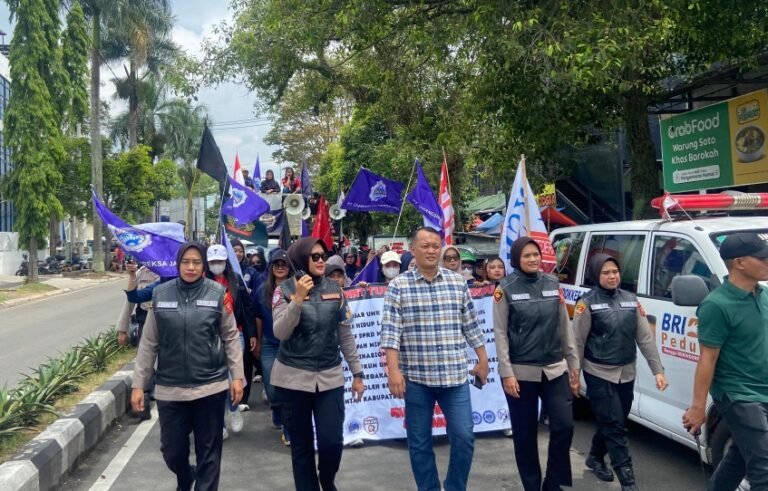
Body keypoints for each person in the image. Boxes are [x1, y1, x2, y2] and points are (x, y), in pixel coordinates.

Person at [381, 226, 489, 491]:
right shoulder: (398, 287)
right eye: (425, 245)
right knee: (419, 442)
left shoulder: (456, 282)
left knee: (464, 437)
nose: (431, 250)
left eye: (435, 245)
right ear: (413, 250)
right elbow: (391, 333)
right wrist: (393, 371)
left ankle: (454, 487)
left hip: (455, 378)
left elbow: (471, 325)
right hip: (416, 379)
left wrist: (483, 359)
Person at [130, 241, 244, 491]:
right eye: (185, 262)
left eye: (196, 262)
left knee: (209, 453)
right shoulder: (161, 294)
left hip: (210, 387)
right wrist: (139, 385)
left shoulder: (217, 293)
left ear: (203, 265)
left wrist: (238, 377)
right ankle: (184, 476)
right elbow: (149, 343)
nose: (190, 267)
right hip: (170, 389)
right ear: (178, 263)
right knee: (172, 451)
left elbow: (231, 336)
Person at [272, 237, 365, 491]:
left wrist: (358, 373)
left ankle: (327, 481)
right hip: (292, 378)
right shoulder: (284, 290)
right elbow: (280, 332)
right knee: (301, 447)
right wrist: (298, 300)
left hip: (329, 376)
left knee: (331, 441)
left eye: (323, 255)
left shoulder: (336, 291)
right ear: (301, 260)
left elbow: (345, 334)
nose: (321, 260)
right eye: (315, 257)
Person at [573, 254, 667, 490]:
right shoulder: (587, 303)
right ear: (596, 275)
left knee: (614, 420)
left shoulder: (631, 301)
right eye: (606, 272)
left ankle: (595, 457)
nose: (612, 276)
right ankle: (628, 481)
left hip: (626, 372)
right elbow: (577, 343)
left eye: (615, 271)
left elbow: (645, 338)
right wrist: (573, 375)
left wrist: (658, 370)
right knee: (615, 425)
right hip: (598, 372)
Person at [493, 236, 580, 491]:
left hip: (554, 368)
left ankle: (552, 484)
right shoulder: (505, 288)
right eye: (527, 255)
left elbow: (564, 325)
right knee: (525, 434)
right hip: (520, 373)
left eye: (536, 255)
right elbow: (499, 333)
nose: (533, 259)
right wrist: (507, 372)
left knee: (564, 426)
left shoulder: (553, 284)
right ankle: (531, 485)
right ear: (517, 259)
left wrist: (573, 363)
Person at [682, 232, 768, 491]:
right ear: (740, 262)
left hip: (763, 388)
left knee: (740, 459)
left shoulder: (762, 295)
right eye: (763, 257)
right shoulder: (716, 305)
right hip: (738, 394)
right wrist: (698, 408)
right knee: (764, 465)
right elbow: (708, 358)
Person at [206, 244, 257, 433]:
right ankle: (218, 423)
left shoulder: (235, 281)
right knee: (215, 380)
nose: (217, 265)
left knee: (232, 376)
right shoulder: (202, 281)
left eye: (220, 261)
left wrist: (252, 333)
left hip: (236, 334)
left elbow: (247, 308)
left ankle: (233, 408)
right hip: (209, 336)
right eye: (213, 262)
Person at [255, 249, 293, 446]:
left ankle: (288, 429)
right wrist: (258, 342)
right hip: (269, 344)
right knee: (271, 388)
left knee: (288, 388)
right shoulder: (262, 290)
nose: (280, 267)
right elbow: (259, 318)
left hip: (291, 345)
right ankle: (276, 409)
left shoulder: (297, 289)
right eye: (276, 264)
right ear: (270, 268)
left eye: (284, 264)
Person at [117, 260, 159, 420]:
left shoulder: (171, 272)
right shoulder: (142, 273)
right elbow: (131, 300)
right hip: (145, 318)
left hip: (167, 320)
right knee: (144, 362)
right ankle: (143, 407)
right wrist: (123, 329)